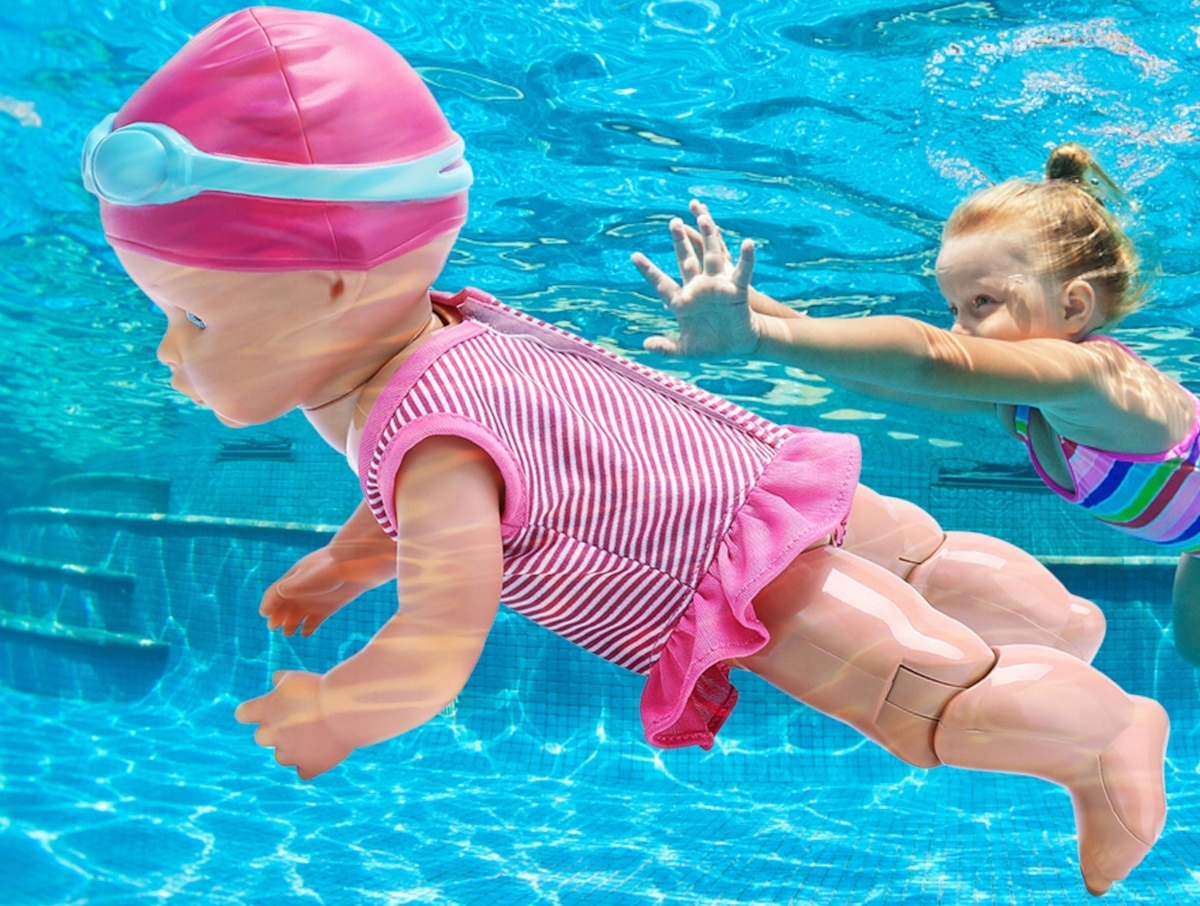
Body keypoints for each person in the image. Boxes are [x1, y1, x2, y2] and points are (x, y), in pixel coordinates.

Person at [83, 9, 1167, 895]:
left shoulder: (431, 444)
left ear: (331, 289)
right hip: (761, 475)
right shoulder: (449, 326)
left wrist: (344, 709)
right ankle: (1057, 626)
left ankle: (1109, 736)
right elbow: (419, 487)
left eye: (193, 317)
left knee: (928, 702)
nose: (168, 350)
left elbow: (439, 632)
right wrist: (347, 560)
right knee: (921, 564)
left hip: (730, 569)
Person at [632, 151, 1200, 670]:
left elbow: (930, 357)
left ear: (1074, 306)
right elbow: (877, 377)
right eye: (953, 309)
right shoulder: (1022, 403)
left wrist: (763, 337)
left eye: (982, 303)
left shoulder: (1096, 379)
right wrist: (750, 314)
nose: (960, 328)